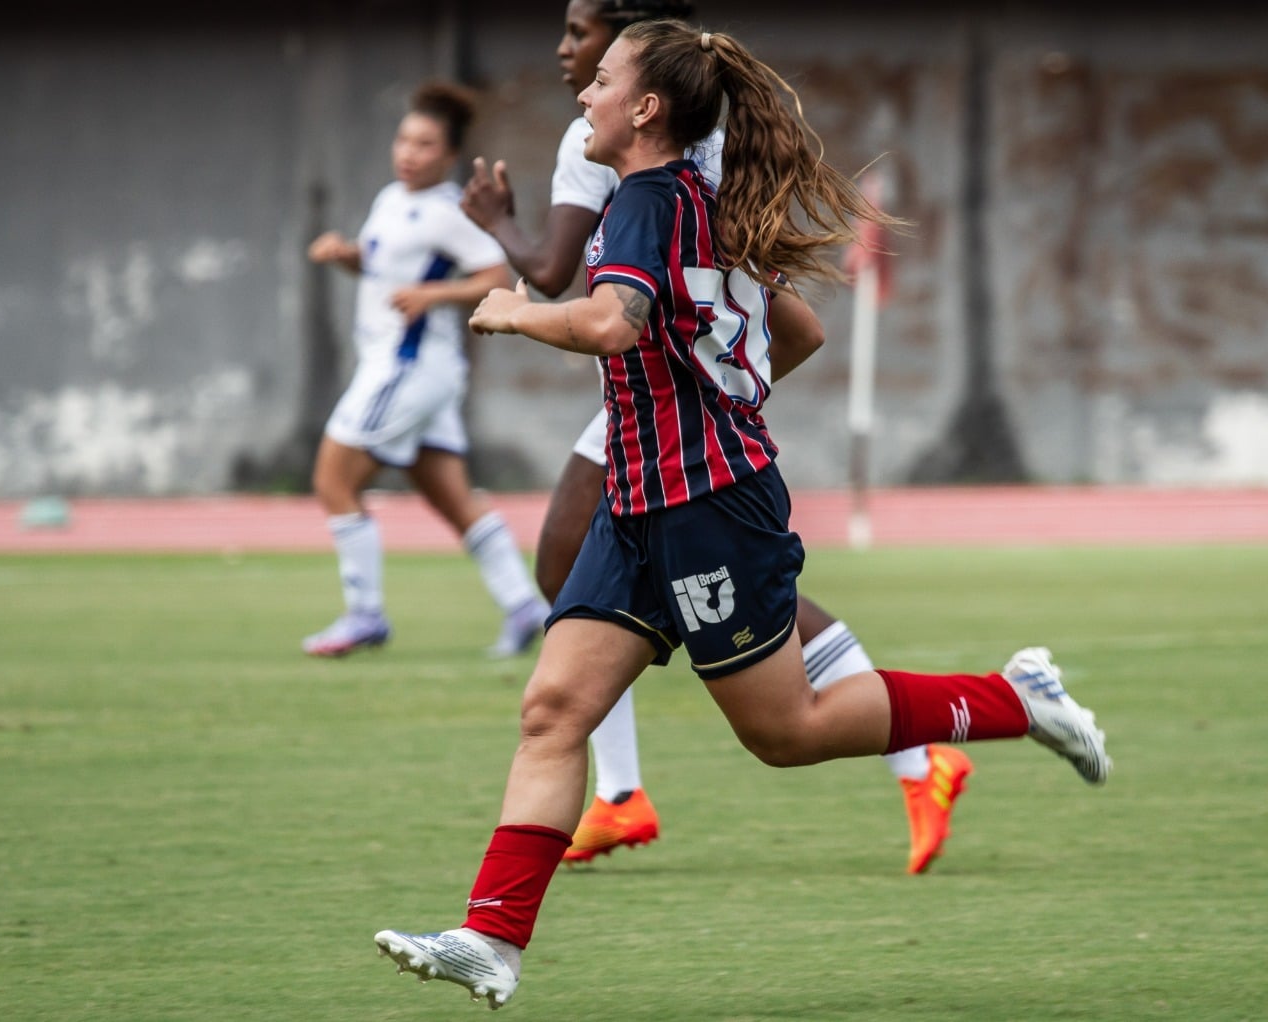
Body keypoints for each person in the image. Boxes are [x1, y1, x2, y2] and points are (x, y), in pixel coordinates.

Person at [373, 21, 1110, 1008]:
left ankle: (1020, 698)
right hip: (638, 502)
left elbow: (607, 321)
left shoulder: (644, 200)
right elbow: (780, 330)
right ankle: (493, 936)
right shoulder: (688, 197)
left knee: (786, 730)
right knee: (552, 709)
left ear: (646, 108)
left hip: (709, 508)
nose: (581, 95)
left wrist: (514, 311)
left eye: (599, 80)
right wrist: (710, 389)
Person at [460, 0, 972, 876]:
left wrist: (502, 241)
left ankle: (932, 739)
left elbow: (566, 283)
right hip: (663, 399)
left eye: (584, 38)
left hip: (664, 405)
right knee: (582, 606)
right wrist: (729, 388)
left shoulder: (622, 163)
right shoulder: (703, 157)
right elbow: (790, 324)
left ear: (642, 83)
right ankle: (612, 802)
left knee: (754, 683)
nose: (570, 60)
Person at [302, 81, 548, 659]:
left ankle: (364, 616)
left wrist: (433, 295)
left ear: (448, 154)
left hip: (408, 367)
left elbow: (495, 276)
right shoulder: (391, 199)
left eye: (425, 143)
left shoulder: (449, 211)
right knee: (451, 499)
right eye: (404, 139)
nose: (409, 152)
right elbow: (382, 266)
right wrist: (347, 256)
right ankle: (524, 606)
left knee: (334, 481)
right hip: (418, 372)